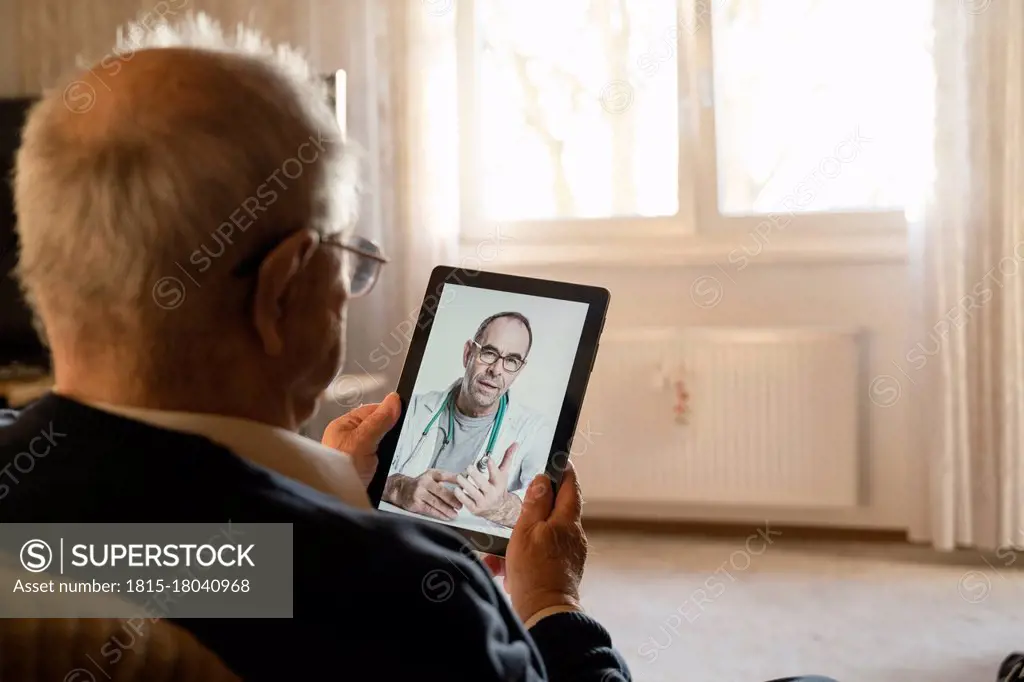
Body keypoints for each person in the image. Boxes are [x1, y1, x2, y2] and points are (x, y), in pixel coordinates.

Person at [0, 13, 630, 682]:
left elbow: (171, 563)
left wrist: (318, 499)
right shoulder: (406, 602)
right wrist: (552, 607)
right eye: (344, 254)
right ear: (280, 291)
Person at [382, 311, 550, 529]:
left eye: (511, 360)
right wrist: (397, 488)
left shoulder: (535, 430)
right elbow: (360, 475)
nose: (496, 370)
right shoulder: (409, 408)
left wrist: (501, 507)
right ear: (467, 353)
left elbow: (545, 512)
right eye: (489, 353)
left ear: (519, 370)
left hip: (472, 554)